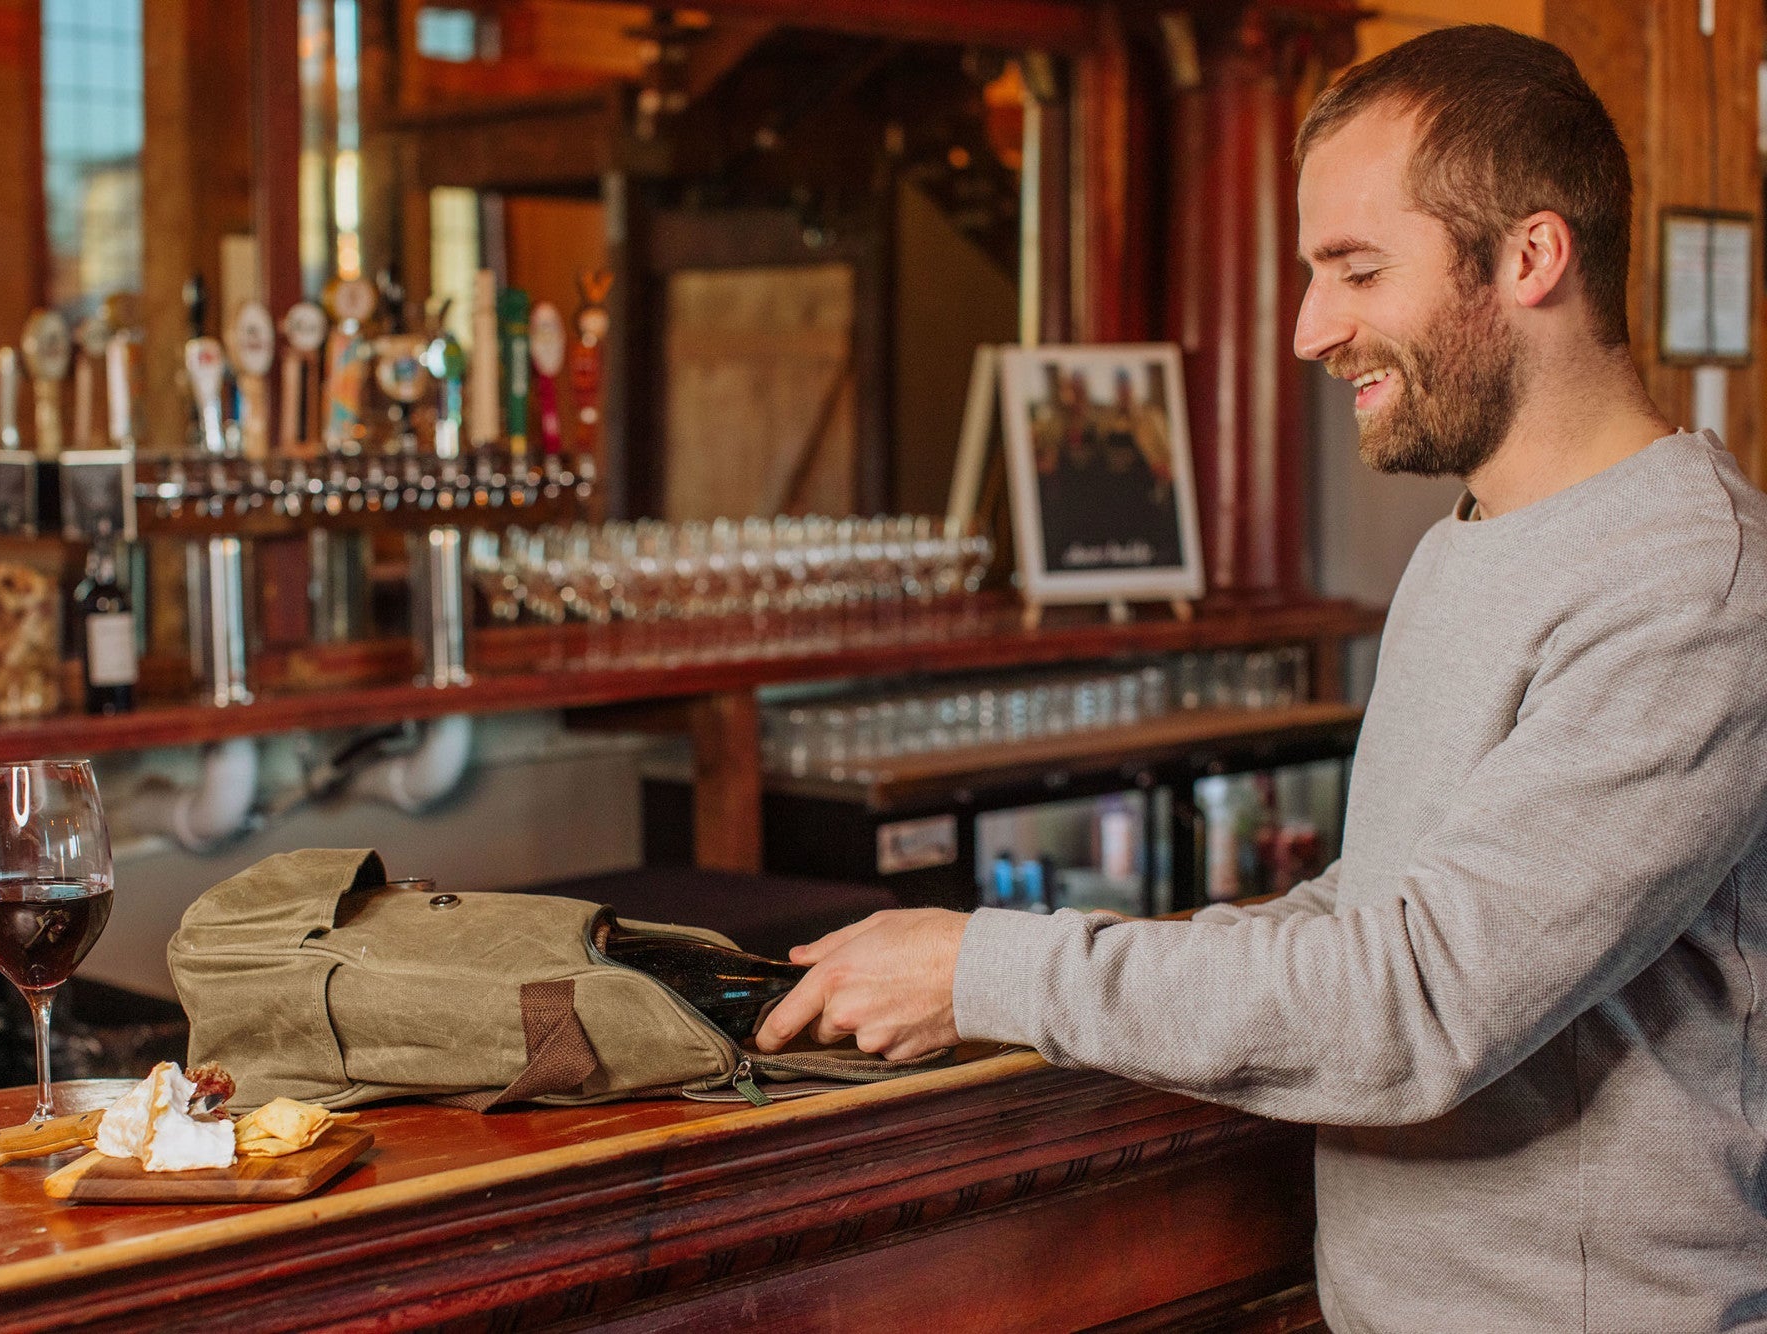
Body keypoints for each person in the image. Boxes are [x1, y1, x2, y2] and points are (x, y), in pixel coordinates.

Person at [755, 24, 1767, 1333]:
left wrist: (996, 971)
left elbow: (1415, 1000)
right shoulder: (1473, 537)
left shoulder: (1692, 586)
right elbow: (1366, 908)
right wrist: (1050, 966)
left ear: (1531, 256)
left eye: (1354, 271)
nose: (1307, 330)